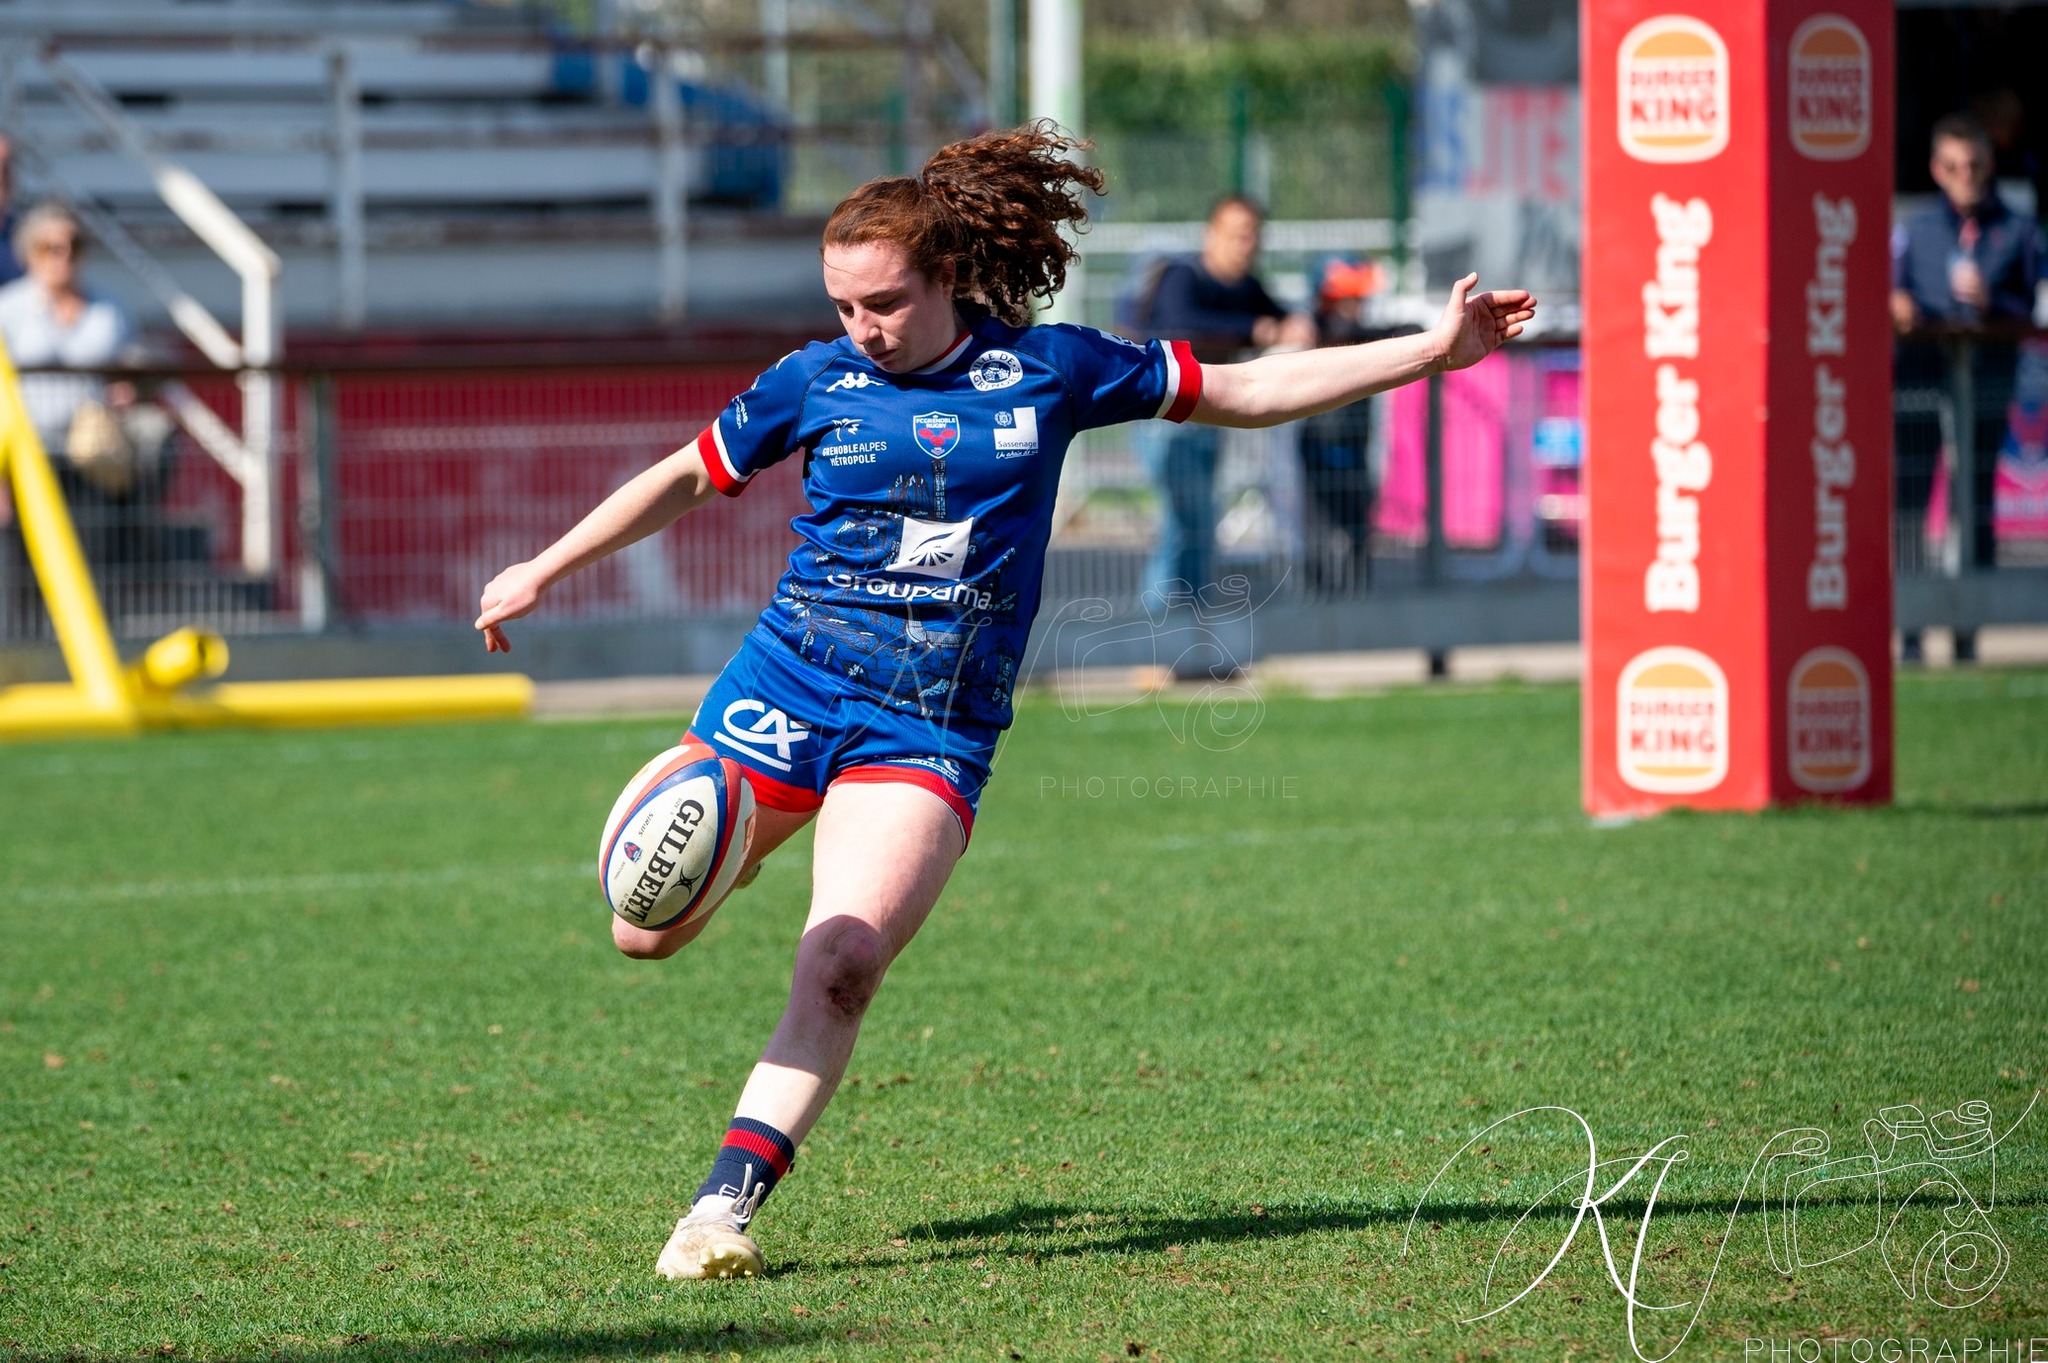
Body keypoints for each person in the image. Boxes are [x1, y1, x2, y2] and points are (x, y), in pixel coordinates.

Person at [473, 124, 1534, 1282]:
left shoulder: (1047, 370)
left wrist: (1427, 350)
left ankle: (718, 1211)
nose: (860, 329)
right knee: (641, 930)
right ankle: (745, 827)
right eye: (840, 306)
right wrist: (543, 566)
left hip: (927, 725)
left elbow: (1240, 386)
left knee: (840, 966)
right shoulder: (812, 381)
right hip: (785, 685)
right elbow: (686, 471)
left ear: (943, 280)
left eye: (881, 303)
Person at [1132, 195, 1317, 600]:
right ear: (1210, 234)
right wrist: (1258, 330)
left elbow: (1279, 317)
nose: (1245, 244)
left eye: (1253, 235)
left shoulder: (1247, 287)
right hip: (1166, 422)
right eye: (1236, 234)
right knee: (1184, 525)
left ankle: (1192, 637)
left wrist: (1297, 322)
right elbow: (1179, 325)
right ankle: (1159, 636)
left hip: (1206, 419)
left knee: (1199, 526)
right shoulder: (1183, 275)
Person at [1890, 113, 2043, 602]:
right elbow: (1895, 292)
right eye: (1954, 166)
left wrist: (1992, 307)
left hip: (1986, 375)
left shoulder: (2016, 230)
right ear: (1937, 169)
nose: (1966, 176)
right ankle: (1910, 616)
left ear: (1989, 164)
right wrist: (1902, 307)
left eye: (1974, 165)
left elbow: (2031, 306)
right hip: (1923, 377)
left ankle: (1973, 618)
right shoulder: (1917, 230)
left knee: (1975, 493)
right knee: (1911, 494)